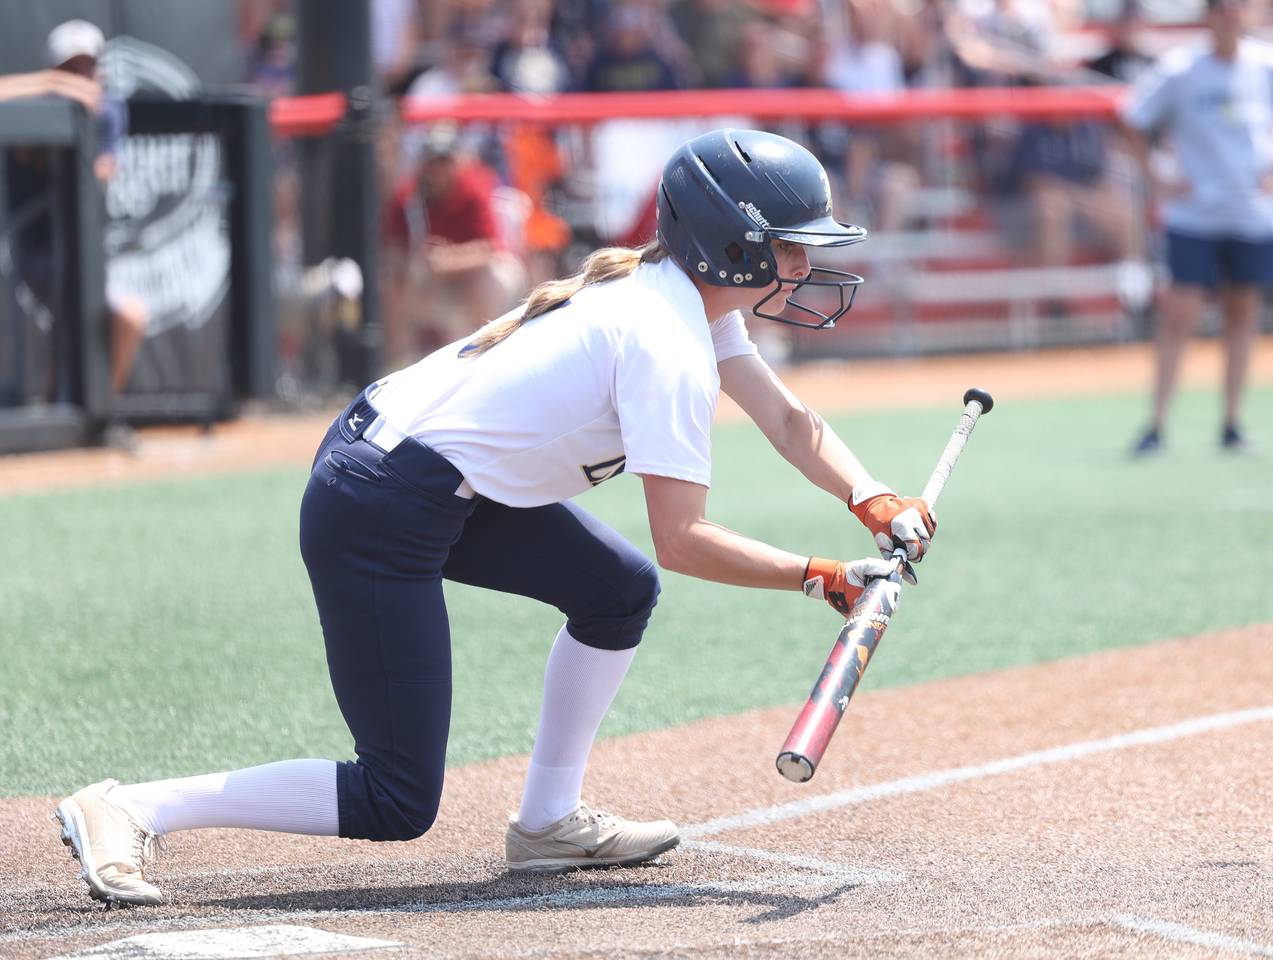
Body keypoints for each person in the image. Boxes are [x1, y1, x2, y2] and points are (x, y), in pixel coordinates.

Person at [52, 128, 941, 905]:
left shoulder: (684, 299)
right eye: (789, 246)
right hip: (381, 499)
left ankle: (548, 822)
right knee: (396, 799)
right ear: (730, 246)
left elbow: (789, 420)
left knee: (613, 591)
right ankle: (133, 805)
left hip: (429, 478)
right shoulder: (665, 341)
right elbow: (683, 541)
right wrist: (817, 573)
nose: (806, 264)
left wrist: (871, 497)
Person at [1122, 0, 1273, 455]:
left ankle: (1231, 422)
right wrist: (1157, 177)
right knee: (1179, 315)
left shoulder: (1270, 64)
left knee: (1242, 313)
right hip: (1195, 215)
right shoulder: (1180, 69)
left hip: (1251, 212)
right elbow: (1132, 119)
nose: (1231, 15)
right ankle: (1156, 423)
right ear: (1208, 16)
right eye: (1223, 8)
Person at [2, 20, 148, 399]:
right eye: (71, 68)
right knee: (70, 323)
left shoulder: (107, 111)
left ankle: (97, 415)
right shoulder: (35, 102)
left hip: (85, 257)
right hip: (32, 252)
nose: (82, 76)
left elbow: (100, 175)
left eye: (87, 66)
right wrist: (53, 87)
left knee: (127, 316)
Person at [382, 122, 526, 363]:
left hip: (471, 276)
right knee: (388, 281)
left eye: (444, 161)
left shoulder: (474, 185)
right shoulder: (409, 197)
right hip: (430, 281)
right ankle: (399, 358)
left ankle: (486, 354)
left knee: (494, 277)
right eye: (433, 162)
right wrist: (413, 262)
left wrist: (449, 260)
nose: (438, 170)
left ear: (456, 161)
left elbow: (489, 249)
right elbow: (393, 248)